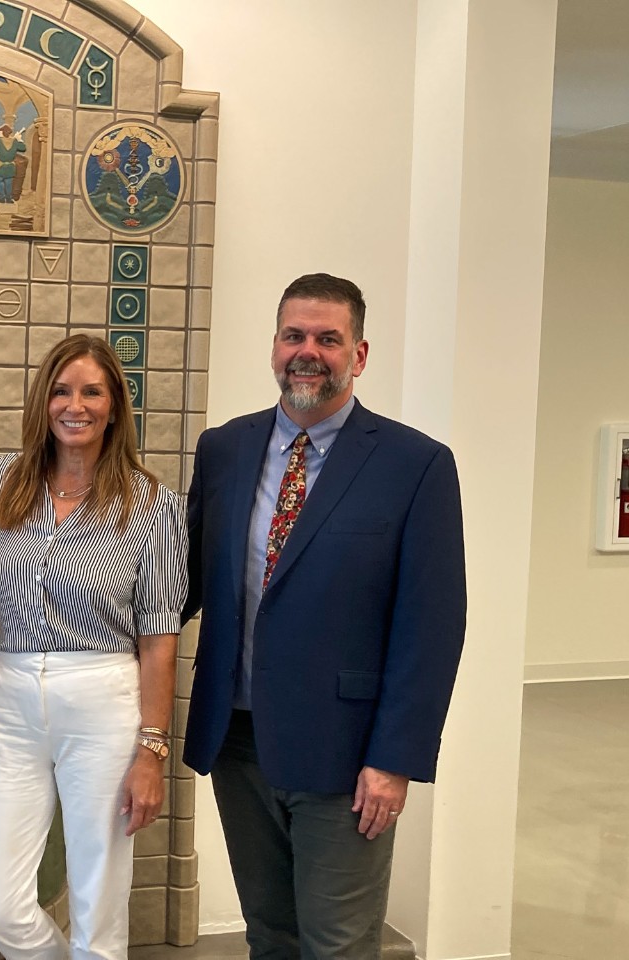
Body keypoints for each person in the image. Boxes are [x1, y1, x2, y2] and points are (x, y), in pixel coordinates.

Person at [182, 274, 467, 959]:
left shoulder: (415, 465)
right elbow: (184, 580)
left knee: (337, 944)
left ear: (359, 355)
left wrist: (394, 759)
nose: (308, 351)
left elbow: (432, 626)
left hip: (346, 754)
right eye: (294, 335)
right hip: (238, 741)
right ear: (275, 347)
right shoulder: (224, 449)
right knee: (270, 935)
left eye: (328, 339)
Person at [0, 335, 187, 960]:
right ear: (43, 401)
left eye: (93, 391)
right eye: (62, 390)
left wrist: (151, 751)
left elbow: (160, 639)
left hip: (103, 701)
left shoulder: (155, 504)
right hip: (10, 700)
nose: (76, 404)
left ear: (115, 405)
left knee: (99, 903)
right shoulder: (4, 483)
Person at [0, 124, 27, 203]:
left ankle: (2, 197)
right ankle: (9, 198)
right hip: (11, 167)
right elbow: (23, 148)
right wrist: (19, 139)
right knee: (8, 182)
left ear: (3, 132)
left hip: (1, 166)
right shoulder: (14, 141)